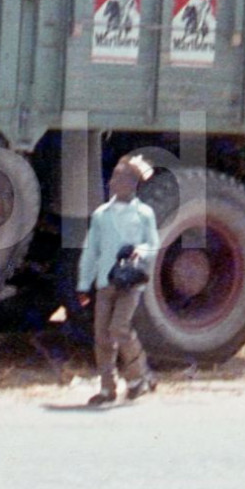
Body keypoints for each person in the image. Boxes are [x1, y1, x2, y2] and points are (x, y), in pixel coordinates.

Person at [76, 155, 160, 405]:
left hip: (130, 282)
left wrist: (139, 251)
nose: (113, 181)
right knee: (102, 335)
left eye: (120, 178)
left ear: (133, 183)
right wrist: (83, 283)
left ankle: (137, 377)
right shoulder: (102, 215)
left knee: (119, 329)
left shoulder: (144, 213)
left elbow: (153, 244)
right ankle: (107, 387)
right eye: (113, 176)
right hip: (105, 282)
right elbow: (91, 250)